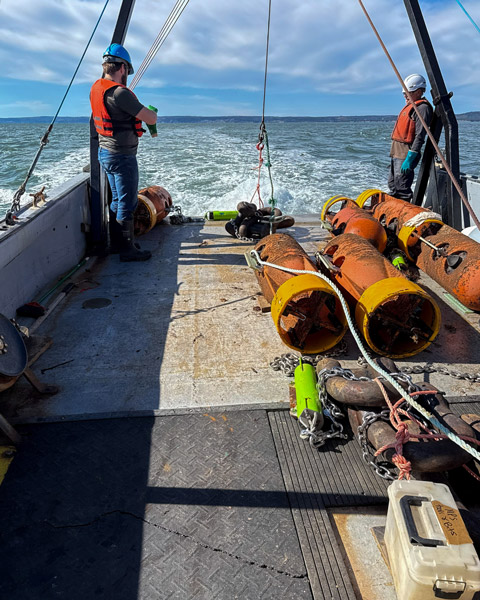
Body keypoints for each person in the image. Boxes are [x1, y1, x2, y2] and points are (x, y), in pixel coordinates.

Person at [90, 43, 158, 261]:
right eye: (127, 70)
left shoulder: (97, 89)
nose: (127, 74)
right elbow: (151, 118)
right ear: (121, 68)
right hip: (122, 156)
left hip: (106, 153)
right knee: (127, 202)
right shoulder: (120, 93)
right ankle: (127, 250)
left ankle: (117, 244)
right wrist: (149, 111)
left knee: (118, 200)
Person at [388, 73, 433, 202]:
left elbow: (420, 134)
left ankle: (405, 214)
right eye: (404, 93)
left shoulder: (422, 108)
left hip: (405, 153)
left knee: (402, 187)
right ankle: (393, 212)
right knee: (393, 185)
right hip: (396, 152)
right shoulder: (412, 106)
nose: (405, 95)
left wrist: (411, 156)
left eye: (409, 92)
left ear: (419, 92)